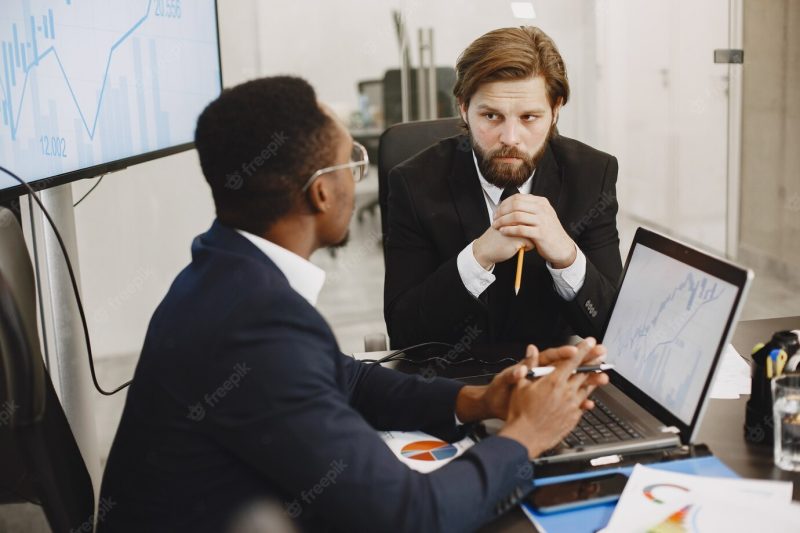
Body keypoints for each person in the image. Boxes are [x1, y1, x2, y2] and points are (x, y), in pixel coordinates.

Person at [97, 76, 609, 533]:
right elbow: (414, 515)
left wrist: (479, 401)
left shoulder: (224, 270)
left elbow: (348, 377)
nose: (359, 178)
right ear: (321, 193)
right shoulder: (254, 325)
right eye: (353, 163)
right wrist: (525, 436)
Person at [384, 26, 623, 353]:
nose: (510, 137)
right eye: (492, 116)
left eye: (529, 117)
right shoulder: (414, 182)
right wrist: (478, 256)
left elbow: (614, 328)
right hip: (453, 383)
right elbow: (404, 331)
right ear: (464, 108)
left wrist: (567, 255)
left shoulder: (593, 175)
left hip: (553, 377)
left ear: (555, 110)